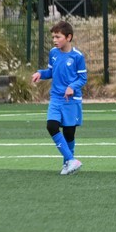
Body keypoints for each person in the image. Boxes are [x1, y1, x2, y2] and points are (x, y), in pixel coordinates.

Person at [31, 20, 87, 175]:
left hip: (71, 101)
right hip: (56, 98)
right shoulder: (53, 53)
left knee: (69, 133)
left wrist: (72, 87)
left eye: (58, 37)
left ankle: (67, 164)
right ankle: (71, 160)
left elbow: (83, 79)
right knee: (52, 126)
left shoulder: (77, 57)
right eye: (53, 37)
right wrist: (40, 73)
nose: (54, 40)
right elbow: (50, 71)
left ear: (68, 37)